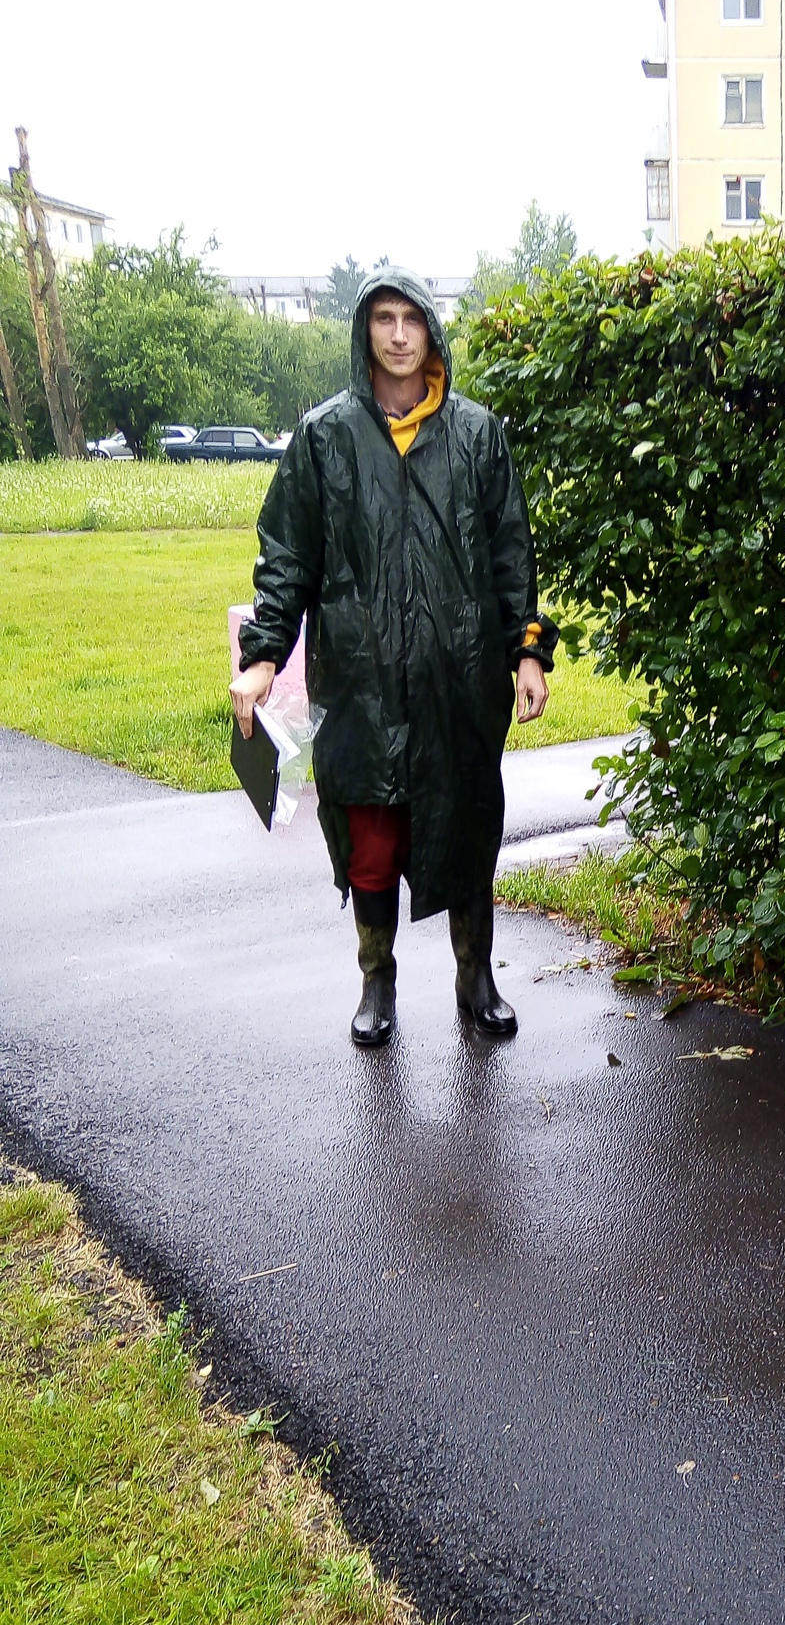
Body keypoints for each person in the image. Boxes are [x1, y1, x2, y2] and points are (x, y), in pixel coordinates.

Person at [228, 267, 556, 1048]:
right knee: (372, 837)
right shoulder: (324, 437)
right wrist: (265, 654)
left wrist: (528, 653)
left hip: (458, 678)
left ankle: (475, 978)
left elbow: (511, 552)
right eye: (384, 318)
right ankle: (378, 981)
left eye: (412, 318)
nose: (400, 334)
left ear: (431, 332)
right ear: (365, 331)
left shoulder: (477, 435)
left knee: (465, 826)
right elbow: (286, 557)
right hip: (362, 678)